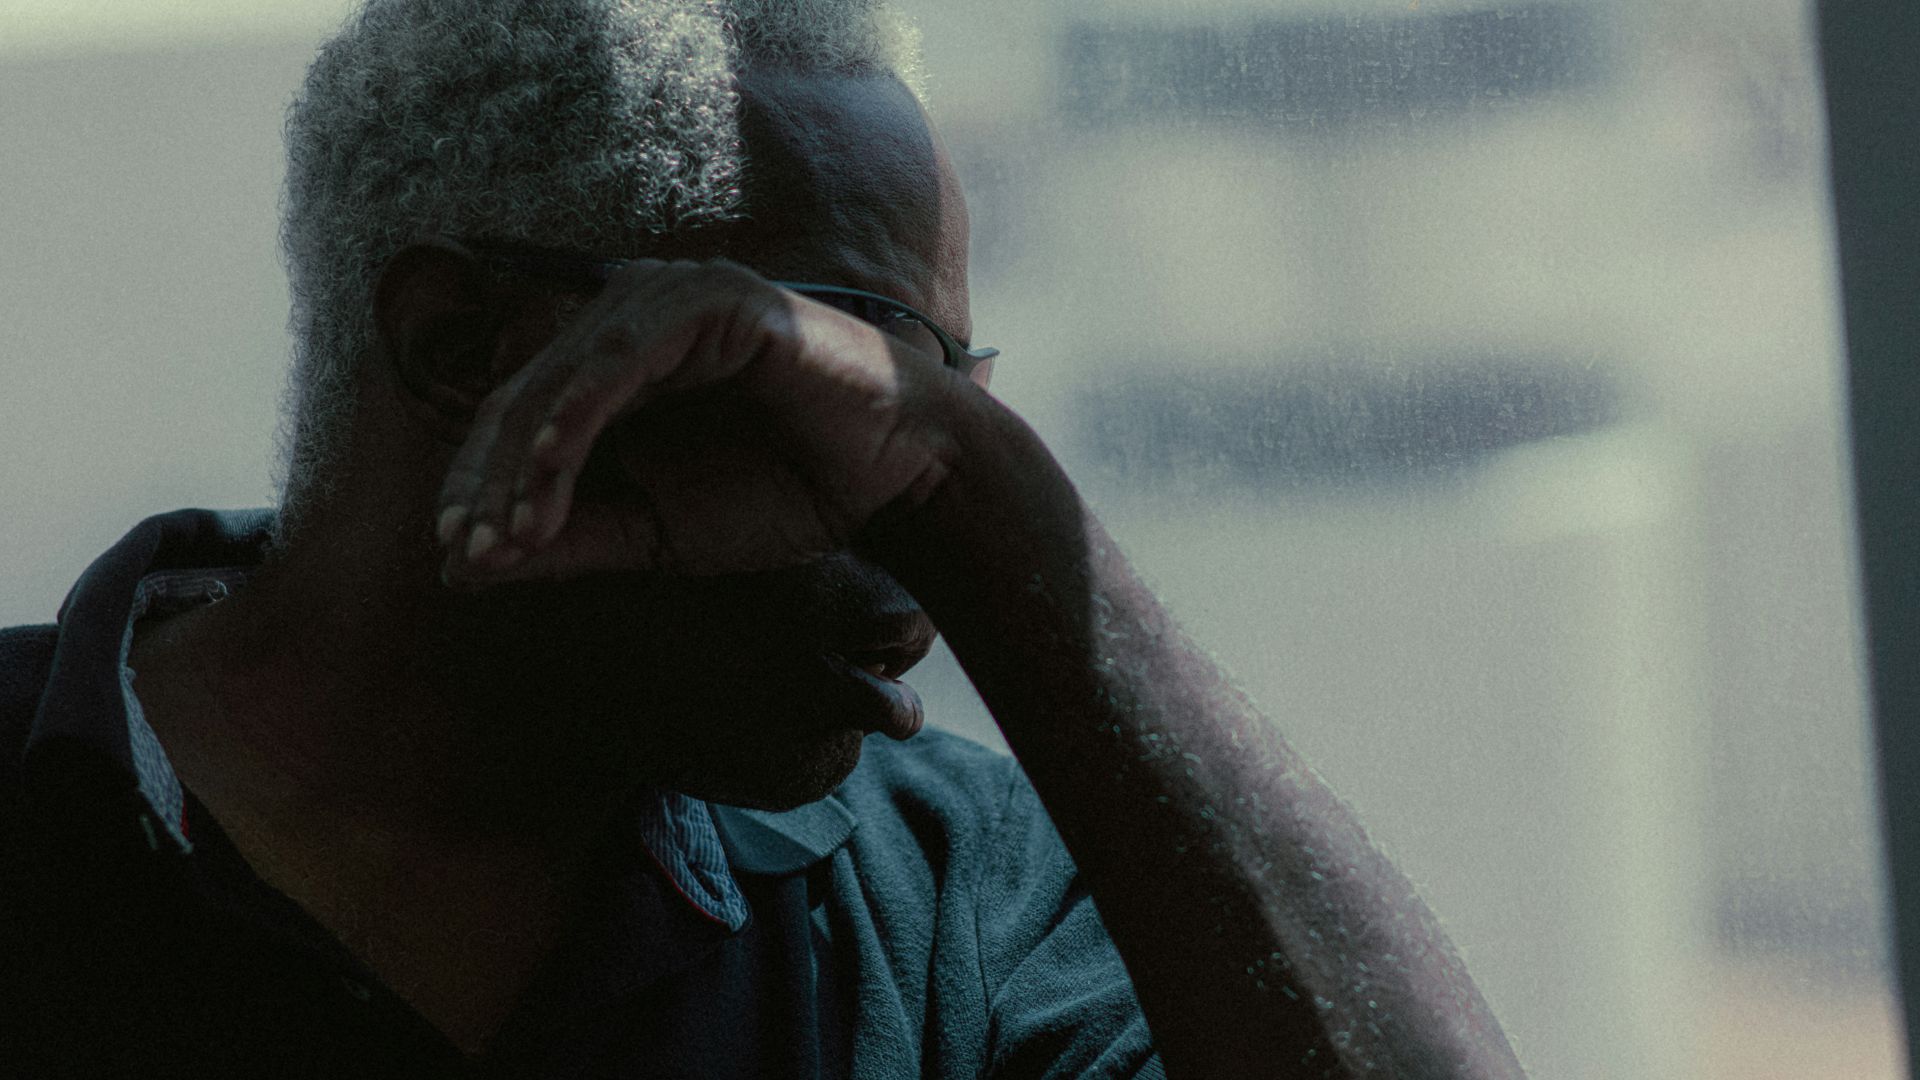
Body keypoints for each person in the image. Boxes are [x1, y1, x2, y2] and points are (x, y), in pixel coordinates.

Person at [0, 1, 1528, 1076]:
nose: (906, 567)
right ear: (461, 344)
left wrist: (977, 498)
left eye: (939, 418)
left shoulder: (953, 895)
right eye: (812, 375)